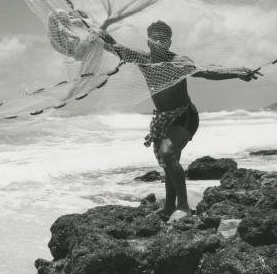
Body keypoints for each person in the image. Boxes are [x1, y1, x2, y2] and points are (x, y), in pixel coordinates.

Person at [101, 20, 261, 222]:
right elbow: (114, 46)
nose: (159, 41)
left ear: (169, 42)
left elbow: (205, 72)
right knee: (169, 163)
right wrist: (93, 29)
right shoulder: (141, 59)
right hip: (163, 119)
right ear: (148, 41)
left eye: (163, 38)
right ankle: (169, 207)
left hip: (185, 117)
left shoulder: (179, 61)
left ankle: (183, 207)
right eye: (154, 37)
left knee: (168, 154)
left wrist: (237, 73)